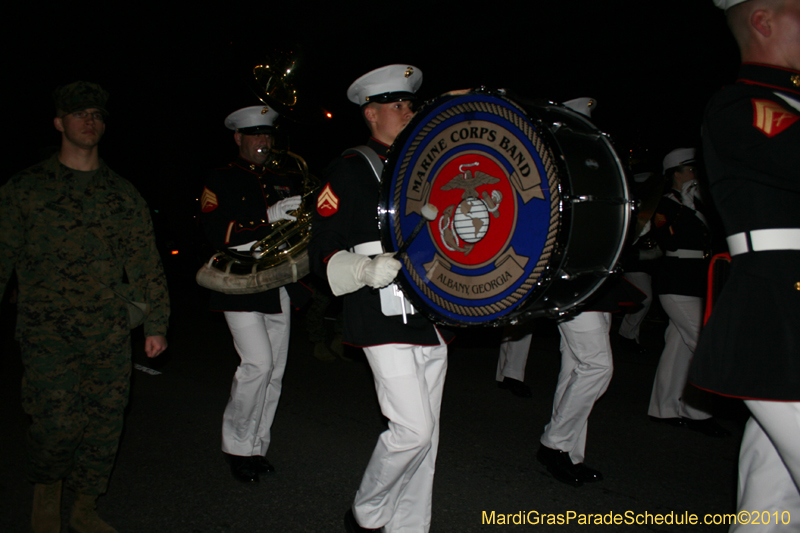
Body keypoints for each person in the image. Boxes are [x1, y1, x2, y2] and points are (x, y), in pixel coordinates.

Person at [0, 81, 170, 533]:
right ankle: (45, 504)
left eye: (96, 114)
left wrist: (156, 323)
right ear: (59, 123)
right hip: (46, 332)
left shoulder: (122, 194)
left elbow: (145, 263)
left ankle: (84, 508)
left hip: (108, 332)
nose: (89, 121)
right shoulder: (25, 189)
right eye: (79, 114)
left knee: (103, 426)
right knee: (55, 425)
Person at [310, 64, 452, 533]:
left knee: (426, 439)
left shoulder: (421, 167)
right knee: (412, 430)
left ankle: (409, 526)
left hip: (426, 310)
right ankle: (366, 512)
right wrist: (364, 268)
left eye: (411, 104)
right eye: (399, 106)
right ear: (372, 114)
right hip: (377, 307)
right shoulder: (351, 168)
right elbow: (322, 248)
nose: (409, 111)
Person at [691, 0, 800, 528]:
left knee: (771, 506)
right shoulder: (745, 104)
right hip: (777, 307)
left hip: (786, 310)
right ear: (763, 20)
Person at [199, 105, 306, 484]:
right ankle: (236, 446)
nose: (262, 141)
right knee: (257, 365)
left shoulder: (283, 177)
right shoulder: (220, 177)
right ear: (238, 138)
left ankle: (257, 444)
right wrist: (269, 216)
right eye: (255, 135)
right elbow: (218, 232)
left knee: (274, 372)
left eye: (267, 134)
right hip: (240, 281)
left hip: (277, 281)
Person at [646, 148, 727, 437]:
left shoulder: (698, 203)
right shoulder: (666, 205)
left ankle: (663, 408)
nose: (694, 174)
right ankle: (699, 413)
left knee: (678, 347)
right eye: (689, 169)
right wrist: (687, 204)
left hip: (696, 280)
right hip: (676, 281)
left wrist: (697, 202)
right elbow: (670, 240)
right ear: (675, 174)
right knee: (701, 343)